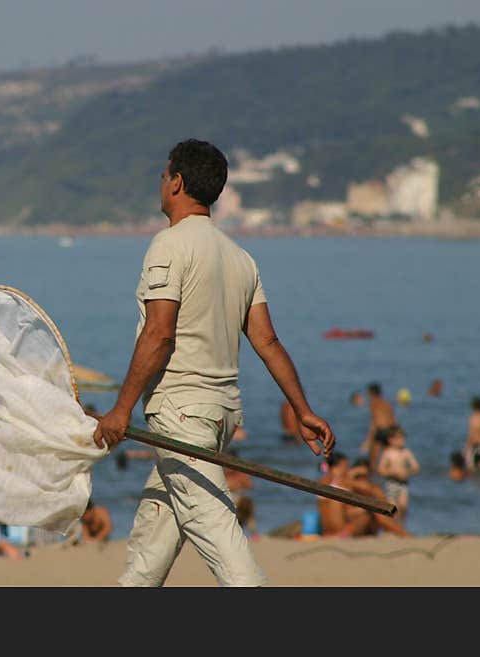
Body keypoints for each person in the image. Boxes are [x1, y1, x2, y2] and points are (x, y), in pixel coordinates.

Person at [93, 139, 334, 587]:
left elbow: (159, 334)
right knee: (150, 547)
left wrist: (120, 410)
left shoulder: (169, 245)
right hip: (220, 415)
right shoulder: (240, 257)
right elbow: (268, 341)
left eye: (164, 175)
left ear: (178, 182)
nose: (161, 183)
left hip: (181, 414)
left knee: (222, 538)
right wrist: (303, 410)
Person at [318, 453, 409, 538]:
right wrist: (355, 472)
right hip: (342, 533)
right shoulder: (342, 481)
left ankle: (402, 534)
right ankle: (406, 535)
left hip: (326, 532)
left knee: (367, 511)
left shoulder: (322, 482)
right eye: (345, 466)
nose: (347, 469)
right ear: (336, 467)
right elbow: (373, 490)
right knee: (375, 512)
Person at [376, 426, 420, 522]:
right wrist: (392, 473)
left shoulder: (405, 452)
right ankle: (393, 523)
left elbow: (416, 467)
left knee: (403, 504)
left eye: (403, 438)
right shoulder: (387, 453)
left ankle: (401, 523)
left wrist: (407, 472)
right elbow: (381, 470)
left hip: (403, 483)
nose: (402, 440)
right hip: (391, 482)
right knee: (392, 505)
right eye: (399, 438)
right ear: (390, 439)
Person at [359, 382, 398, 472]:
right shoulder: (387, 403)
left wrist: (368, 441)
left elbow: (374, 422)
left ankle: (373, 478)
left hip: (380, 431)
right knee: (391, 457)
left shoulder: (374, 404)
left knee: (373, 459)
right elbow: (393, 420)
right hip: (391, 430)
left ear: (371, 393)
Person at [224, 449, 255, 533]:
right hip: (225, 498)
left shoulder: (240, 474)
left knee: (248, 502)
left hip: (238, 498)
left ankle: (253, 532)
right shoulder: (221, 472)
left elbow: (250, 486)